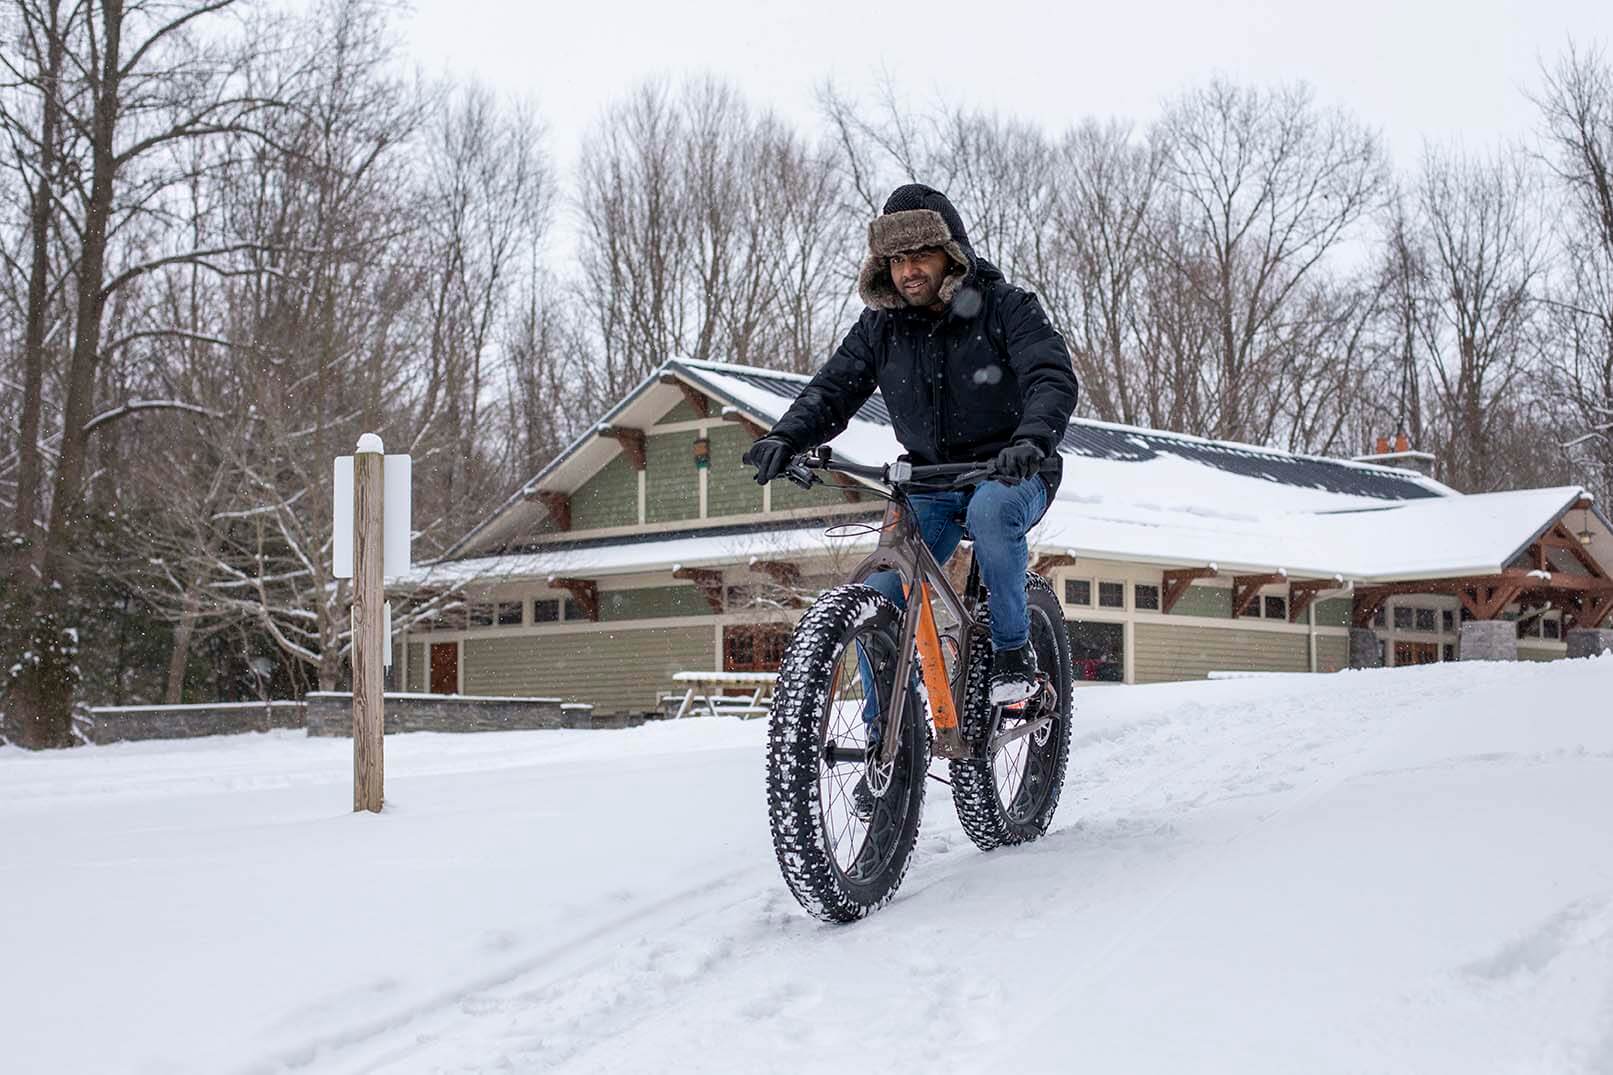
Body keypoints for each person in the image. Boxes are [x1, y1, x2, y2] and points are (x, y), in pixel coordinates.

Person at [743, 183, 1079, 716]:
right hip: (930, 482)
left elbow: (1051, 377)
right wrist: (786, 436)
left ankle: (1013, 653)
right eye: (897, 260)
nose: (909, 271)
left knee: (993, 511)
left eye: (921, 254)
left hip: (1014, 469)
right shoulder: (882, 326)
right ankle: (888, 749)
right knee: (882, 593)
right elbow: (833, 389)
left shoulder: (1004, 307)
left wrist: (1030, 442)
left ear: (952, 253)